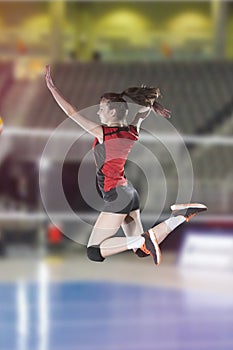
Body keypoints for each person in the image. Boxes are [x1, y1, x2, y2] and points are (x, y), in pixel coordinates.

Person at [45, 65, 207, 265]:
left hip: (118, 195)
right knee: (141, 250)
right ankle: (180, 216)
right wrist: (151, 103)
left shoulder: (105, 134)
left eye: (102, 109)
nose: (98, 113)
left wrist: (53, 89)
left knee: (94, 251)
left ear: (113, 111)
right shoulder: (132, 131)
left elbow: (71, 112)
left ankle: (140, 239)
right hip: (129, 193)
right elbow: (143, 113)